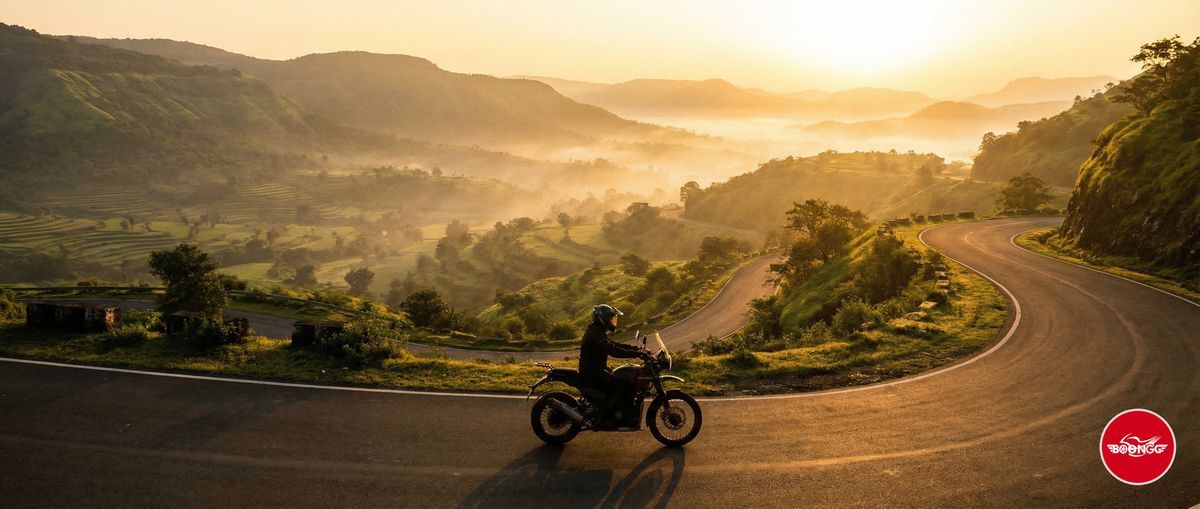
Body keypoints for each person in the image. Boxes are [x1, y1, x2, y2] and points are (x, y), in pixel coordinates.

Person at [579, 304, 645, 426]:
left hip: (597, 369)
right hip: (592, 372)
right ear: (601, 318)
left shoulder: (598, 331)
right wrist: (635, 354)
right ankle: (603, 416)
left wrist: (636, 349)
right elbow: (613, 351)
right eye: (610, 318)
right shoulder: (595, 334)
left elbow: (613, 344)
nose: (613, 321)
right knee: (620, 383)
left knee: (623, 378)